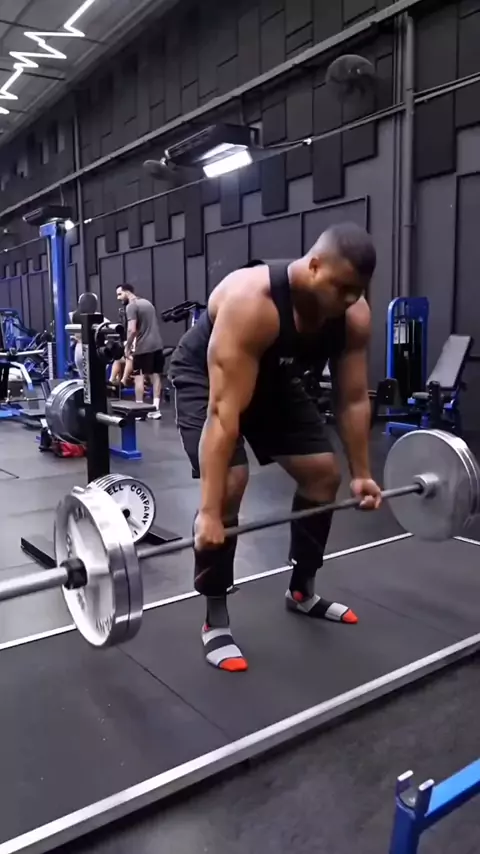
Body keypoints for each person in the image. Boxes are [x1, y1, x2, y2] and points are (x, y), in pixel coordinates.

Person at [169, 222, 382, 673]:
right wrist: (208, 513)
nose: (348, 300)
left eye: (357, 291)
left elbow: (351, 398)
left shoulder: (353, 315)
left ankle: (302, 590)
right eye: (341, 288)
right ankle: (215, 616)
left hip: (274, 378)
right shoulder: (253, 302)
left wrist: (363, 473)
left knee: (324, 474)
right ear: (314, 265)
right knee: (229, 484)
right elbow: (223, 415)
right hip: (207, 378)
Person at [116, 284, 164, 419]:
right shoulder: (148, 303)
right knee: (156, 376)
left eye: (120, 294)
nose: (118, 298)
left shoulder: (131, 306)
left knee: (139, 377)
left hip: (143, 346)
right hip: (157, 344)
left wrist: (127, 347)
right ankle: (156, 409)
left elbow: (132, 330)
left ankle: (139, 410)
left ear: (127, 292)